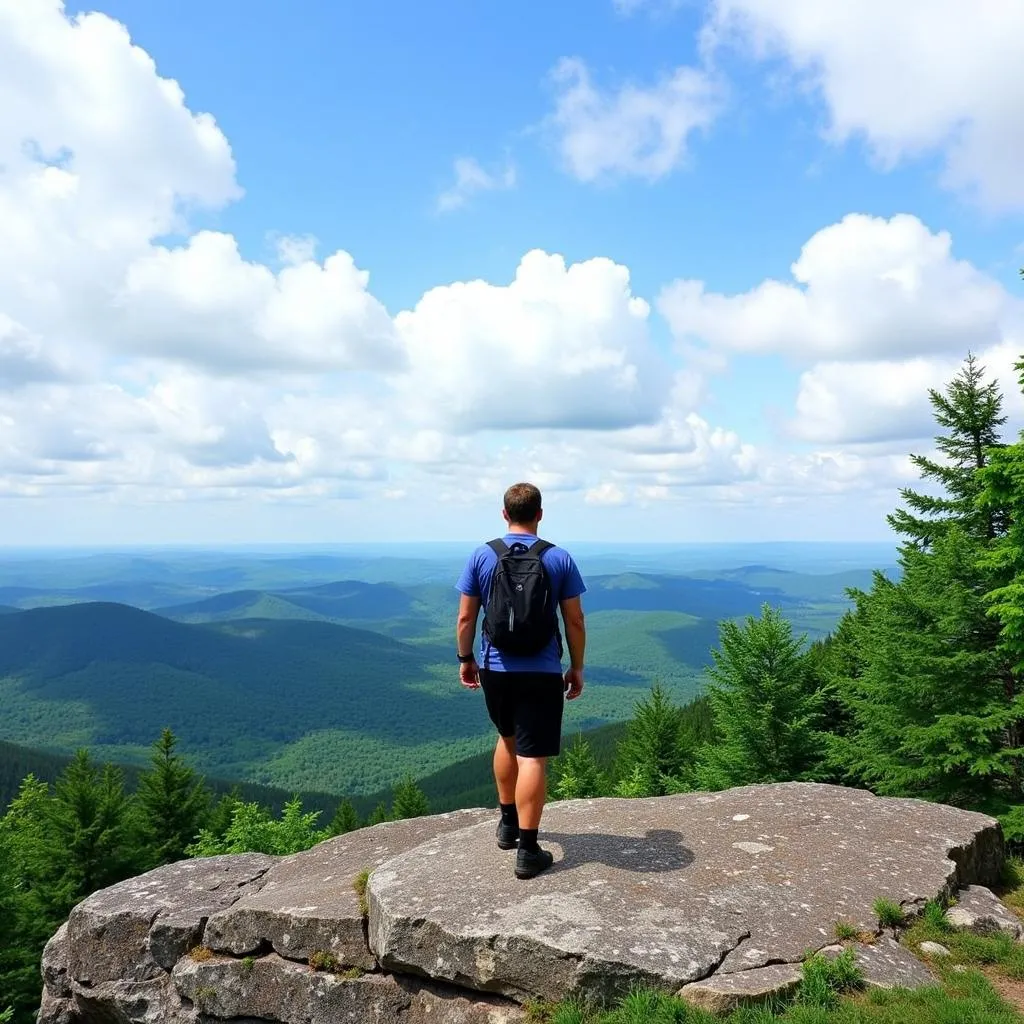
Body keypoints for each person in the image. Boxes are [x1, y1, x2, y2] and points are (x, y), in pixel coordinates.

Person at [455, 482, 586, 879]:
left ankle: (508, 823)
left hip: (495, 667)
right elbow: (574, 620)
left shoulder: (482, 555)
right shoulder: (558, 558)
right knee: (533, 756)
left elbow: (465, 618)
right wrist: (576, 667)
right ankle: (528, 851)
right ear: (540, 514)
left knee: (507, 739)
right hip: (542, 670)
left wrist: (466, 659)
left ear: (504, 513)